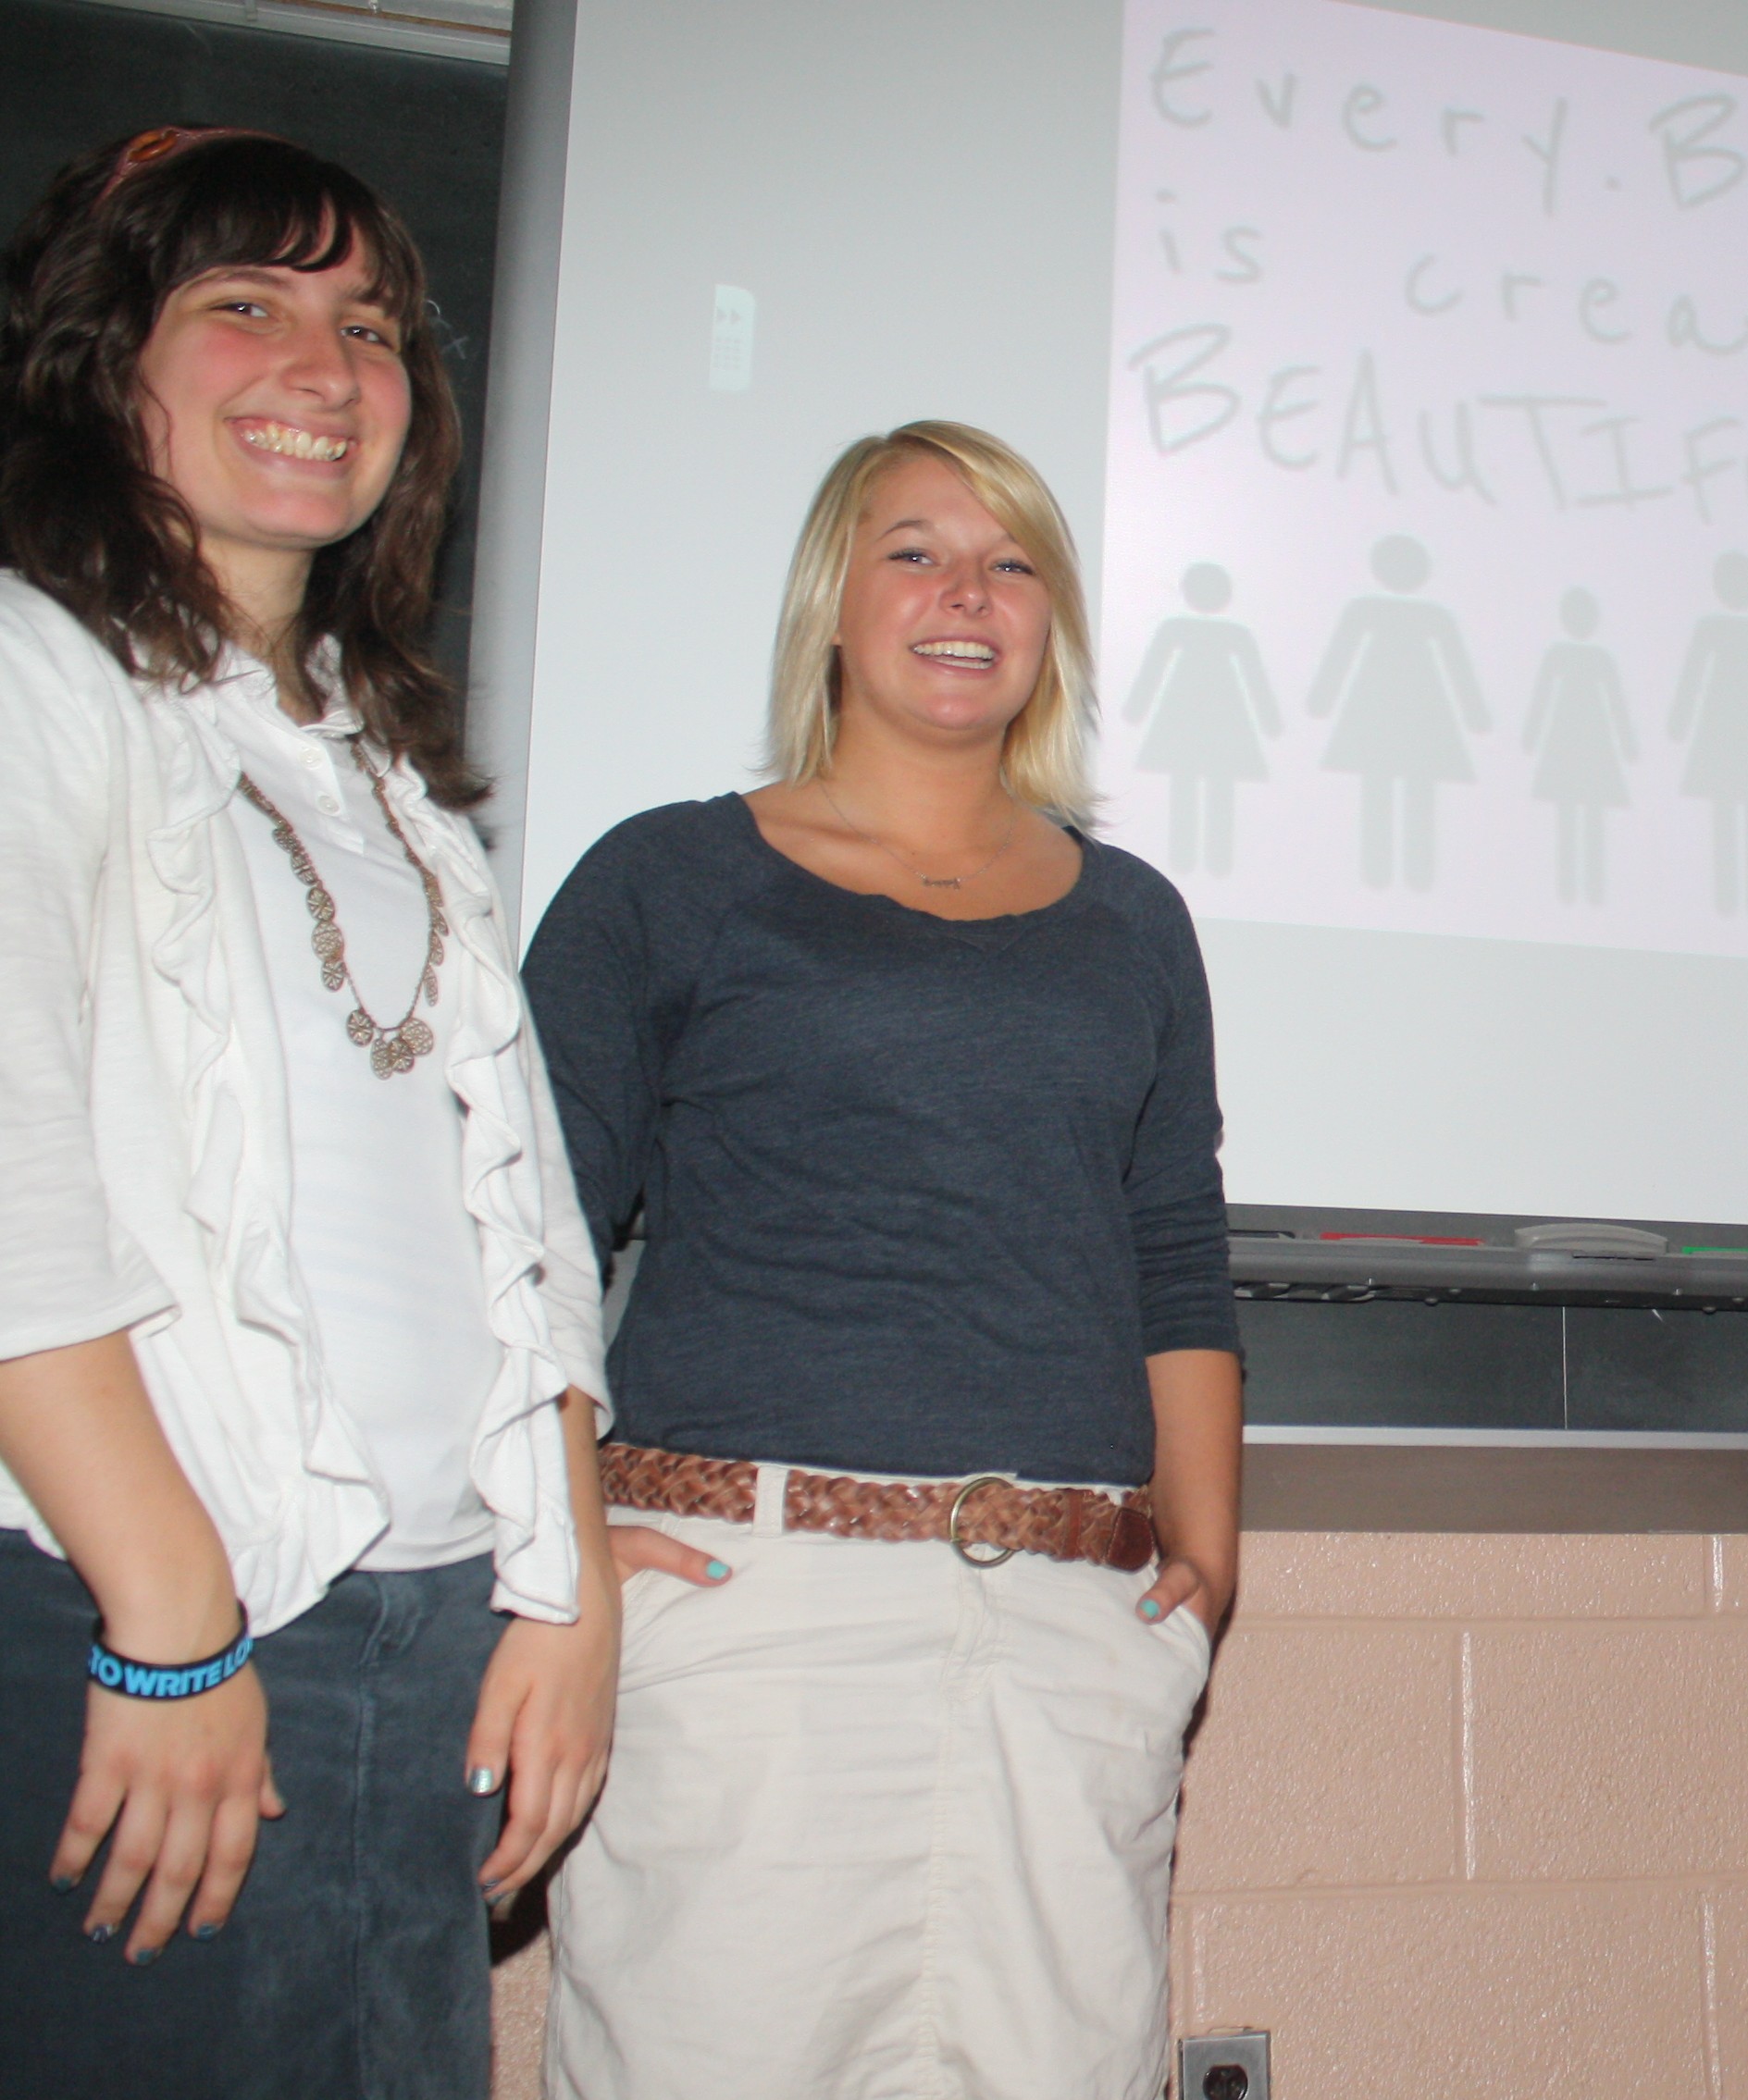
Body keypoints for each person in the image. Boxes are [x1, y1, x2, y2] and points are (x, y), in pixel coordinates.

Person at [0, 128, 619, 2096]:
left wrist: (567, 1594)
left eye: (367, 326)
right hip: (139, 1623)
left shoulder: (386, 775)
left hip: (425, 1643)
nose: (322, 368)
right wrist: (171, 1618)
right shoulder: (33, 673)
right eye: (242, 304)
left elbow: (529, 1232)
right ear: (105, 356)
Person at [525, 420, 1242, 2099]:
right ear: (830, 604)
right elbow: (520, 1233)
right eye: (916, 551)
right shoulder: (666, 876)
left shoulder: (1137, 918)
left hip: (1072, 1636)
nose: (966, 592)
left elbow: (1175, 1247)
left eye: (1011, 562)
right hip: (749, 1627)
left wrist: (1204, 1564)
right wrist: (559, 1547)